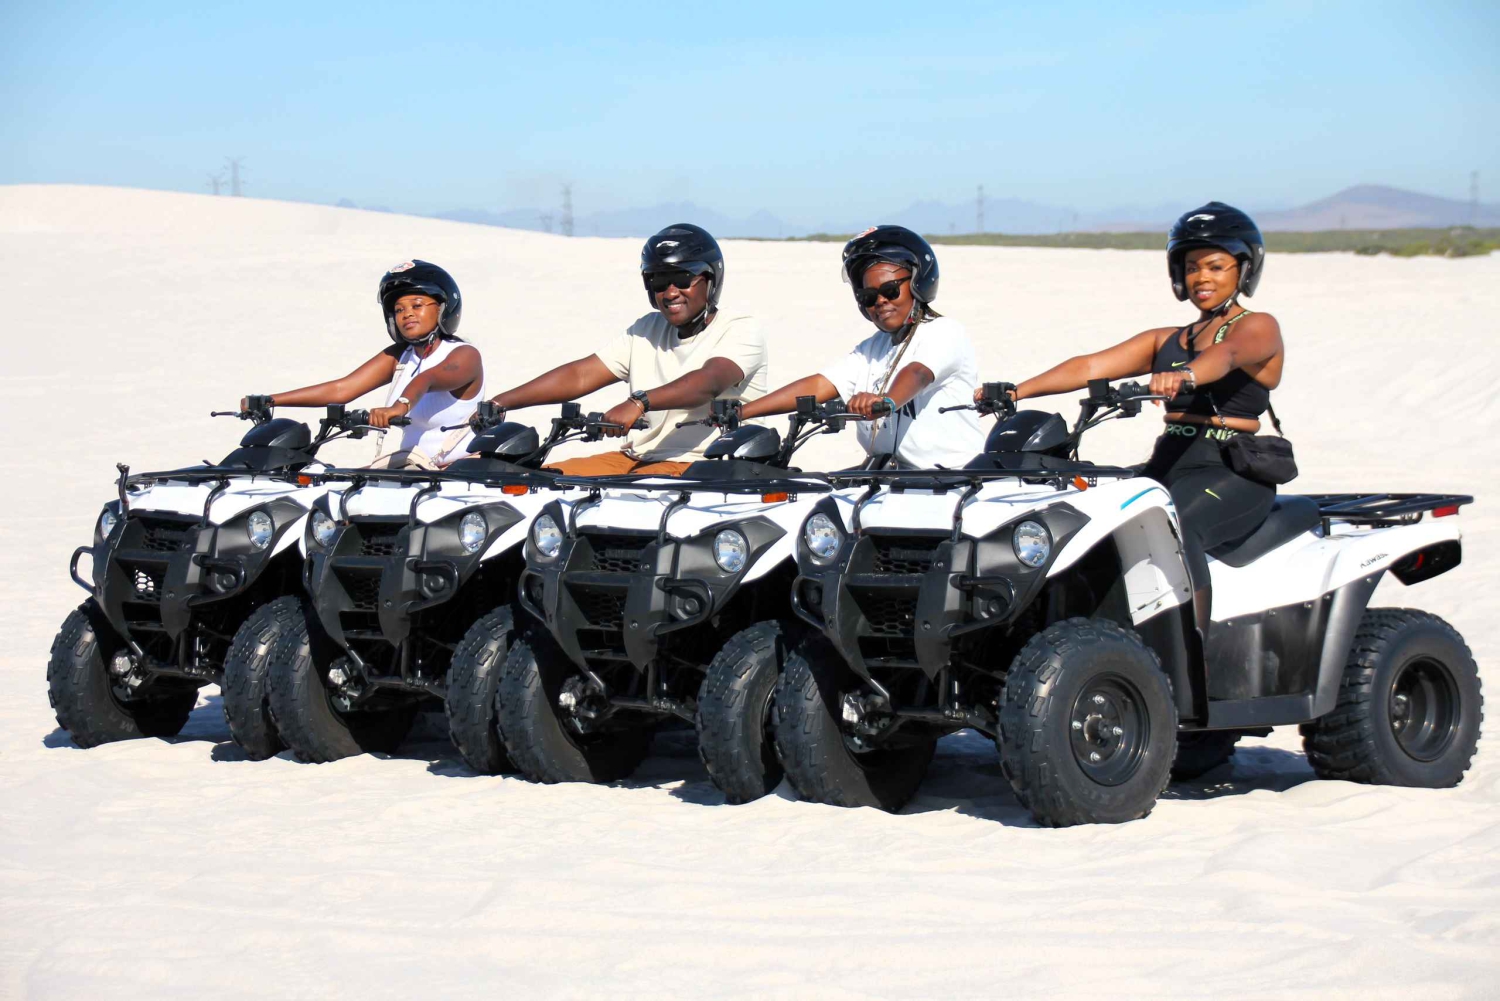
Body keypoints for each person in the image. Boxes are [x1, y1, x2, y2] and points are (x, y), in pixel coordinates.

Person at [993, 202, 1284, 634]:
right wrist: (1017, 391)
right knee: (1092, 514)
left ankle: (1191, 658)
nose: (1202, 277)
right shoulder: (1166, 338)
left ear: (1243, 269)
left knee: (1176, 525)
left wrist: (1184, 376)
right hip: (1171, 460)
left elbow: (1227, 356)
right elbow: (1089, 366)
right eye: (1191, 267)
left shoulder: (1258, 325)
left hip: (1231, 468)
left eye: (1216, 266)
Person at [486, 224, 767, 476]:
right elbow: (581, 375)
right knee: (541, 479)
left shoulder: (739, 328)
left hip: (702, 465)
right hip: (635, 459)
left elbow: (708, 383)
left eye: (683, 279)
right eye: (658, 281)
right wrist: (502, 402)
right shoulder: (647, 328)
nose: (670, 293)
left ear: (711, 279)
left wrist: (638, 403)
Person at [738, 225, 984, 469]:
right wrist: (742, 412)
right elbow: (821, 385)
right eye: (868, 296)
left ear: (918, 282)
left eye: (890, 290)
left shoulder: (945, 332)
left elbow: (918, 373)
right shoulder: (872, 348)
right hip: (883, 475)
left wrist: (886, 401)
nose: (880, 301)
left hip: (949, 480)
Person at [245, 260, 484, 468]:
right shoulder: (402, 355)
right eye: (399, 309)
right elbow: (342, 389)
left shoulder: (464, 355)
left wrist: (398, 408)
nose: (407, 314)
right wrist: (270, 399)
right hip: (413, 468)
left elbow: (428, 378)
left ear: (443, 309)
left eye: (417, 305)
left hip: (459, 472)